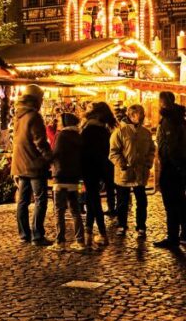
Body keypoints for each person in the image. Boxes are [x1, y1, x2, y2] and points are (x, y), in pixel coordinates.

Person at [12, 84, 53, 246]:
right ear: (36, 99)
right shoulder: (34, 116)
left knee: (22, 201)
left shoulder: (18, 115)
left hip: (20, 164)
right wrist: (50, 157)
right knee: (40, 199)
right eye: (41, 99)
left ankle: (23, 234)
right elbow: (40, 142)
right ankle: (37, 235)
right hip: (34, 164)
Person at [109, 103, 155, 238]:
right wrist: (122, 164)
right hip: (124, 173)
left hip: (140, 173)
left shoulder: (145, 132)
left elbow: (152, 150)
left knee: (141, 201)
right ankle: (121, 225)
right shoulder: (119, 132)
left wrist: (148, 163)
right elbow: (113, 152)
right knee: (122, 201)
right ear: (130, 115)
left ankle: (141, 226)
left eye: (142, 115)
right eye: (138, 115)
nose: (141, 118)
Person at [154, 91, 186, 249]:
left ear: (163, 102)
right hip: (179, 166)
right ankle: (183, 234)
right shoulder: (179, 118)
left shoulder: (169, 120)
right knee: (180, 202)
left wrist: (169, 163)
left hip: (172, 167)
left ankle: (173, 238)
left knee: (171, 203)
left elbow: (171, 146)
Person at [51, 112, 85, 252]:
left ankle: (60, 242)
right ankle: (80, 241)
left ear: (65, 122)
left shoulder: (61, 136)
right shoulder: (79, 137)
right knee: (75, 210)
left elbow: (56, 154)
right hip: (75, 179)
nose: (58, 123)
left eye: (59, 121)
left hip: (60, 177)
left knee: (59, 210)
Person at [81, 102, 114, 248]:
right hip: (101, 169)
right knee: (91, 198)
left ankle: (102, 233)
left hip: (89, 167)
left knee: (94, 200)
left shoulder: (89, 129)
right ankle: (88, 231)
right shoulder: (104, 130)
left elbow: (85, 150)